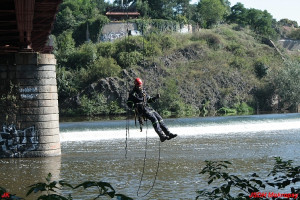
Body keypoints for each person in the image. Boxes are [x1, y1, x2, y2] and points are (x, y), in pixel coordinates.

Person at [127, 77, 177, 142]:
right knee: (154, 119)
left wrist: (155, 98)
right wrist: (135, 106)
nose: (139, 87)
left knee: (159, 118)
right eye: (138, 85)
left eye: (140, 85)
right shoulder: (133, 94)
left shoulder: (143, 92)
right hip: (141, 110)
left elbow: (149, 100)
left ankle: (168, 133)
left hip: (147, 108)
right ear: (135, 85)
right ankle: (161, 135)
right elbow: (129, 103)